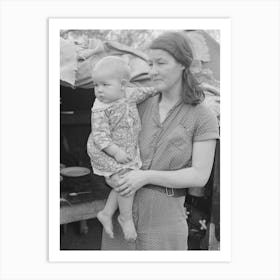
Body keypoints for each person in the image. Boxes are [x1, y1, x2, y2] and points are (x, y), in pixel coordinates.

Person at [101, 31, 219, 250]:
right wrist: (111, 176)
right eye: (150, 64)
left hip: (165, 221)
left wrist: (145, 176)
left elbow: (199, 175)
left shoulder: (203, 116)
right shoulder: (137, 104)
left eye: (160, 63)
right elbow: (106, 143)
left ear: (184, 64)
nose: (152, 71)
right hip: (121, 215)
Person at [87, 56, 158, 241]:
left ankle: (106, 212)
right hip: (105, 150)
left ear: (123, 85)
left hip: (124, 148)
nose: (99, 90)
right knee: (126, 182)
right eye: (96, 85)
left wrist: (159, 88)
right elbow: (100, 136)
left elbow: (145, 92)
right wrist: (115, 152)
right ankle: (125, 219)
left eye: (104, 85)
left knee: (120, 182)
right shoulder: (100, 108)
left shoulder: (129, 94)